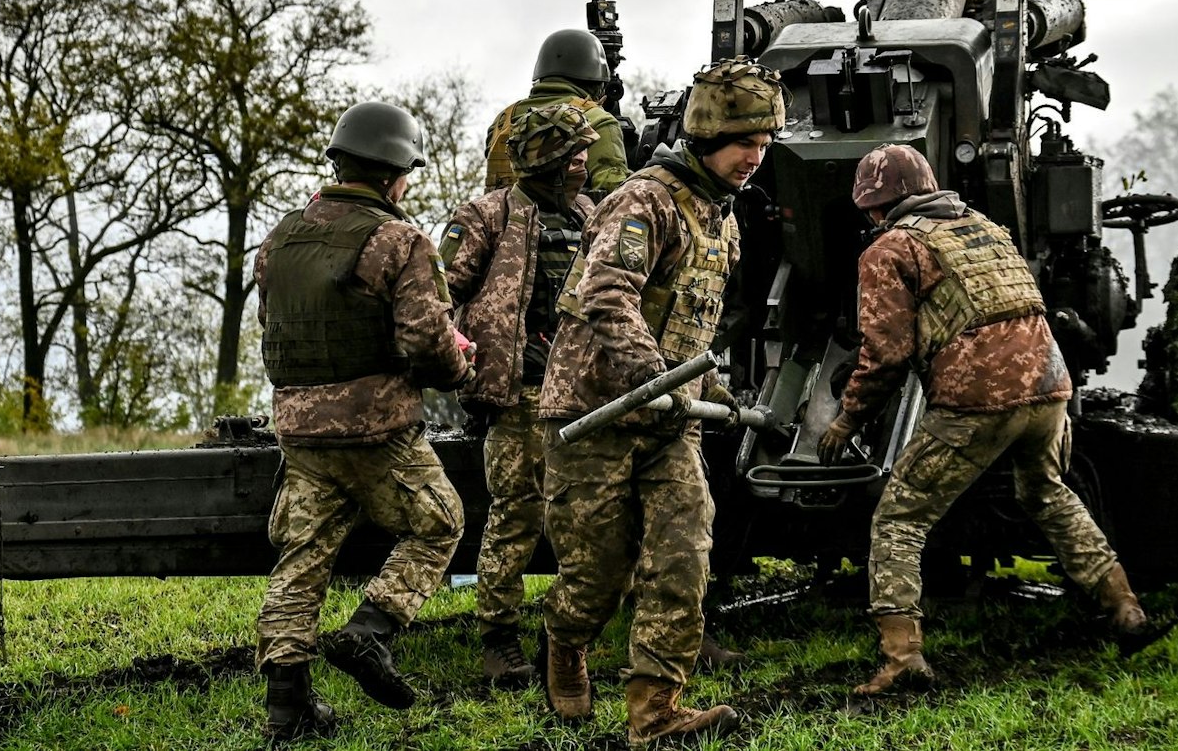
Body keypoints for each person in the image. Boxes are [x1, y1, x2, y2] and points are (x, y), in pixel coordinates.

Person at [818, 143, 1154, 699]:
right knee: (1049, 494)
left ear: (876, 206)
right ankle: (1125, 608)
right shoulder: (985, 228)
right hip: (1049, 389)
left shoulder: (891, 247)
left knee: (899, 519)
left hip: (977, 402)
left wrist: (846, 421)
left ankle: (902, 659)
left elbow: (885, 356)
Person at [536, 57, 784, 744]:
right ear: (707, 135)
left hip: (668, 422)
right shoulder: (644, 201)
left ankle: (655, 711)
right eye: (744, 144)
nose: (753, 160)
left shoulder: (722, 219)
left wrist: (715, 393)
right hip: (595, 414)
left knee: (683, 554)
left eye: (764, 147)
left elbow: (694, 323)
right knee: (597, 575)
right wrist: (659, 378)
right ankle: (565, 643)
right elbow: (607, 295)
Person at [252, 101, 474, 740]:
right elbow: (430, 344)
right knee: (441, 524)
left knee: (303, 556)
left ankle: (287, 705)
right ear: (391, 173)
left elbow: (277, 326)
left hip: (298, 429)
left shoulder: (279, 239)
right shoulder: (400, 241)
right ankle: (370, 632)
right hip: (377, 430)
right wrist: (460, 366)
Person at [438, 103, 598, 688]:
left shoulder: (590, 213)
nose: (584, 165)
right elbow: (436, 293)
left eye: (585, 154)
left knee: (584, 517)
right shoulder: (487, 215)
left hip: (580, 395)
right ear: (546, 160)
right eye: (573, 155)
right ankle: (498, 639)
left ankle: (565, 638)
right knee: (514, 517)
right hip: (517, 394)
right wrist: (454, 362)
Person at [483, 29, 630, 197]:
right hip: (568, 222)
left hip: (496, 220)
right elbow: (615, 193)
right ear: (598, 80)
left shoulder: (503, 120)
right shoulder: (596, 119)